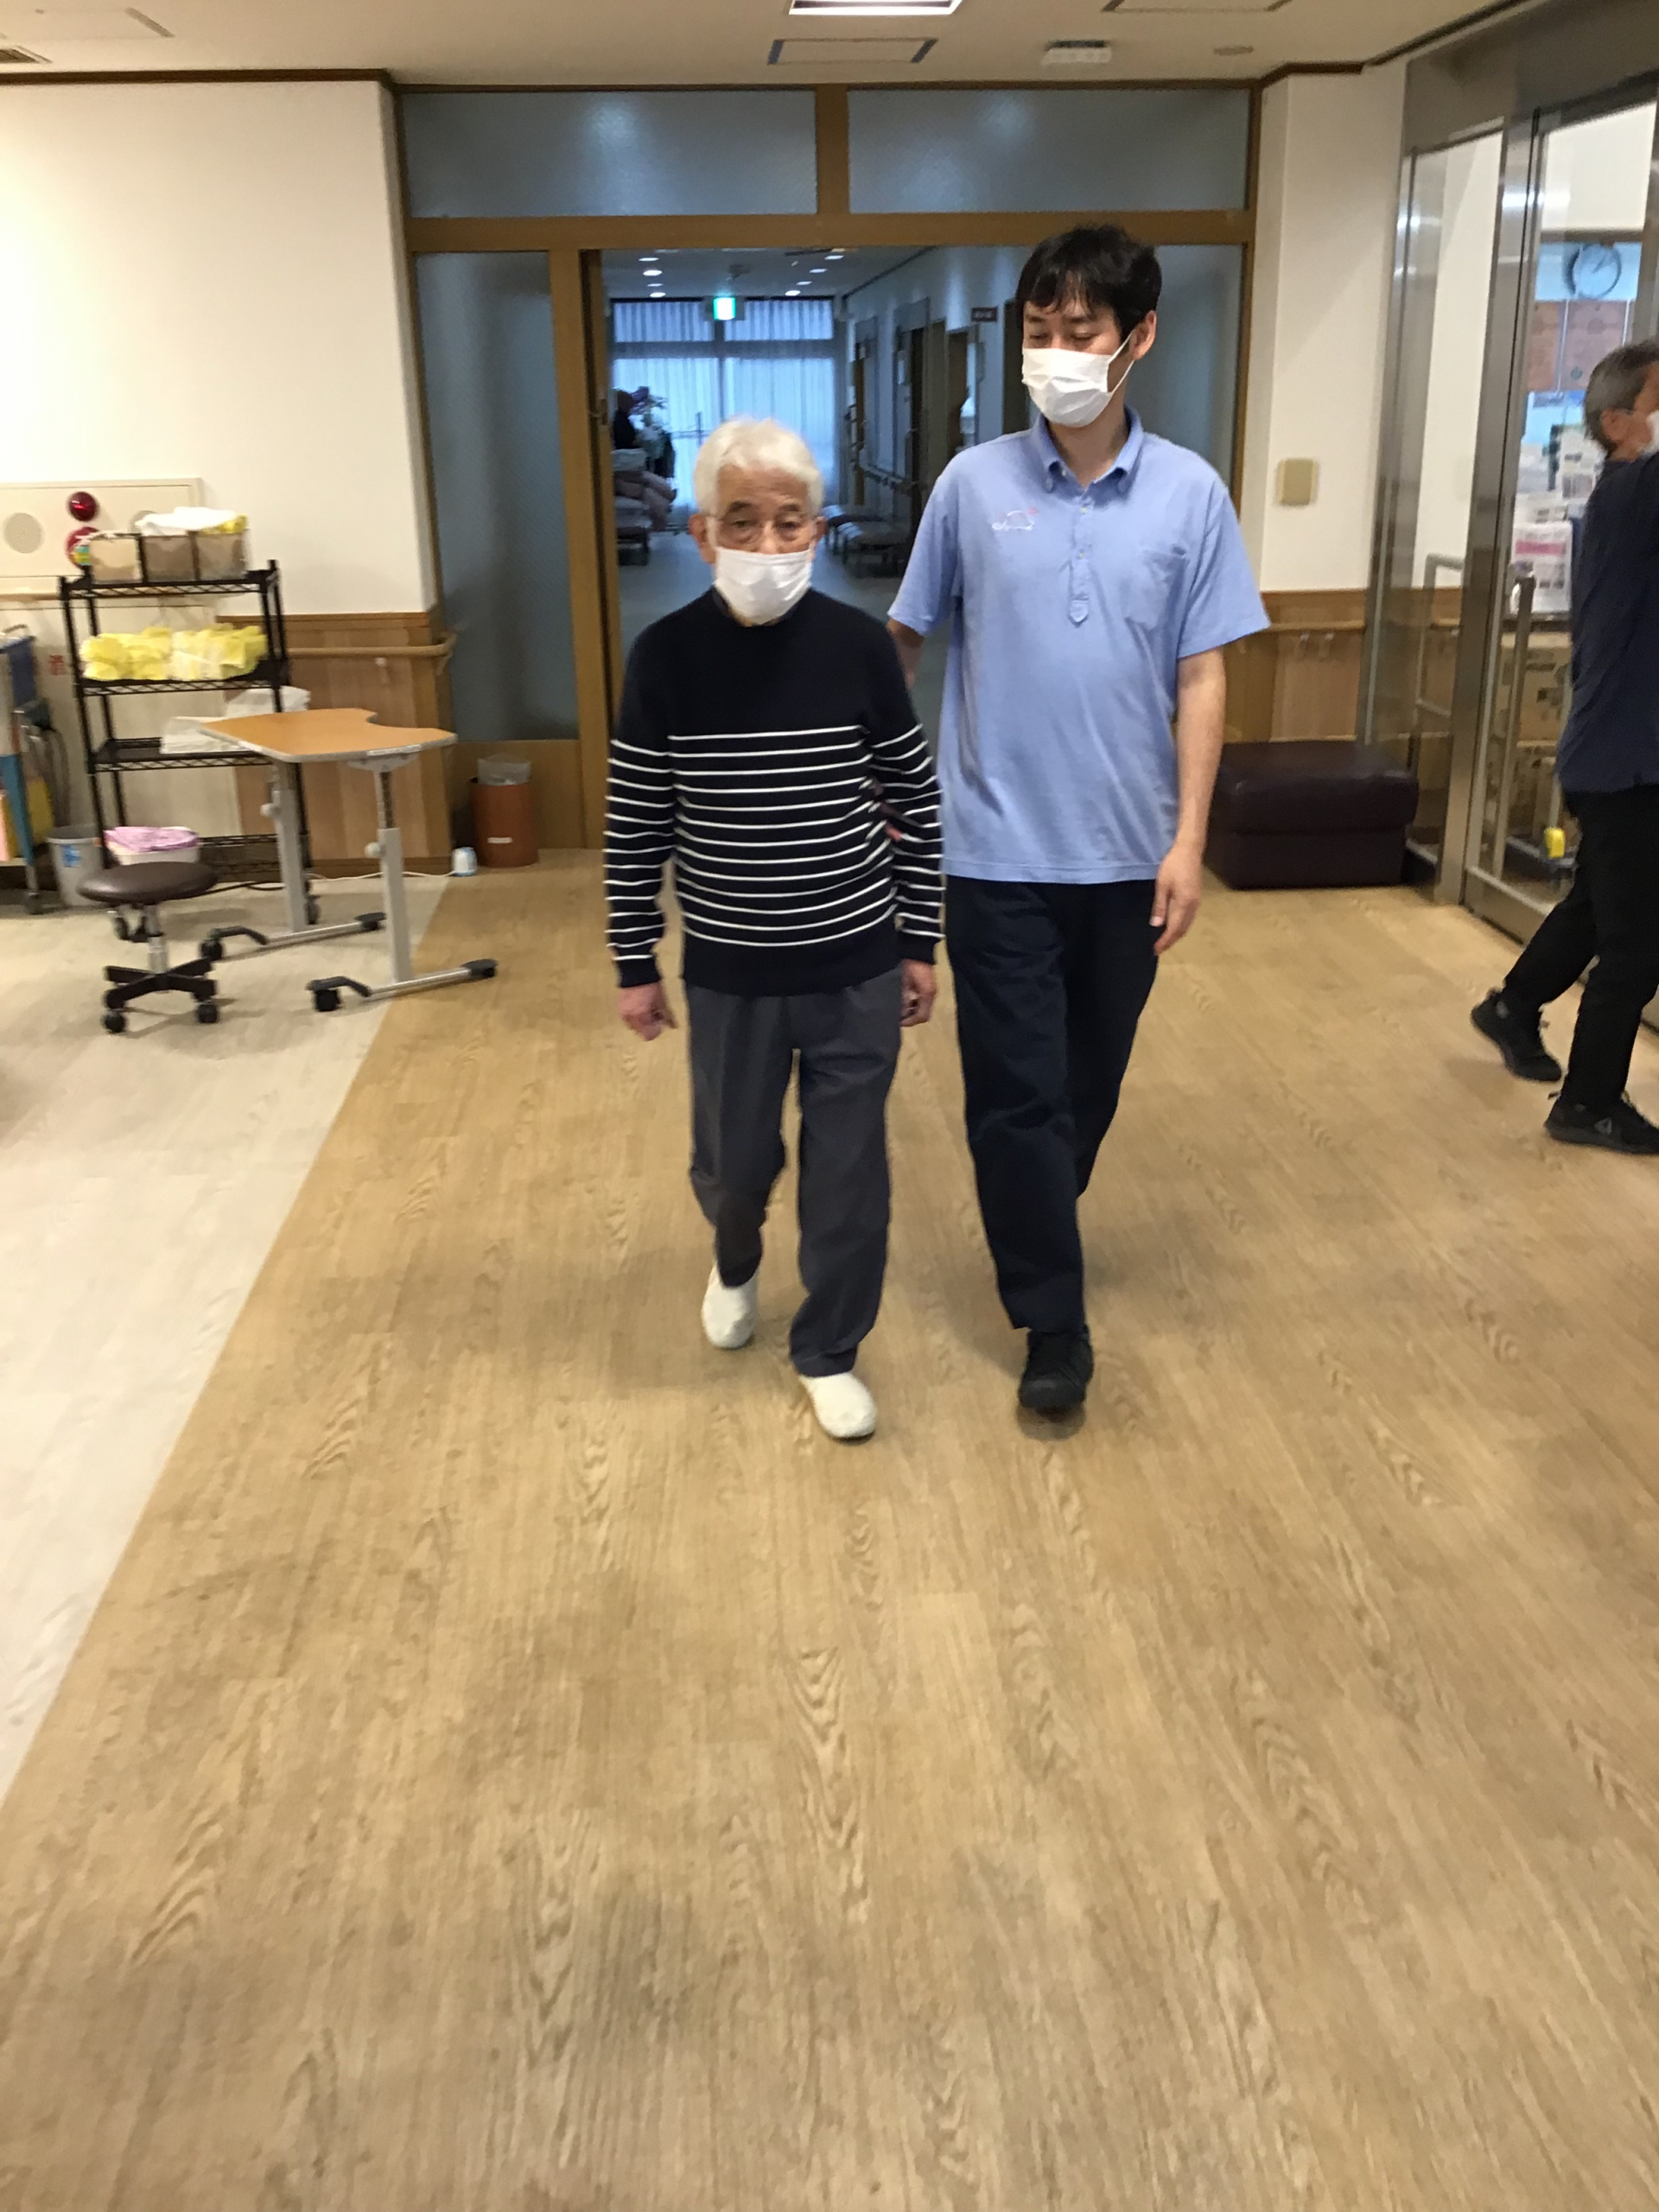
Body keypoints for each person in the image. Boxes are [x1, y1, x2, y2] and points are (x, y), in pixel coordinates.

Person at [888, 224, 1268, 1417]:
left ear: (1137, 338)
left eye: (1079, 331)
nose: (1053, 353)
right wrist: (866, 779)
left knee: (1083, 1087)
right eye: (1038, 331)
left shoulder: (1192, 495)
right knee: (1017, 1092)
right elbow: (902, 642)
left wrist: (1189, 842)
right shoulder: (971, 486)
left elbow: (1203, 676)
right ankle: (1054, 1320)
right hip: (993, 848)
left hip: (1128, 856)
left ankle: (1036, 1208)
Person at [605, 416, 943, 1440]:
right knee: (733, 1165)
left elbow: (915, 797)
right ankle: (736, 1257)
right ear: (702, 534)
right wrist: (634, 958)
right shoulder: (665, 656)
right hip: (732, 971)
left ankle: (828, 1346)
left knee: (849, 1176)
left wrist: (918, 941)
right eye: (740, 520)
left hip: (855, 961)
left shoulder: (858, 647)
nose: (765, 541)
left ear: (816, 531)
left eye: (788, 521)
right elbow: (637, 818)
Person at [1471, 337, 1659, 1155]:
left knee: (1597, 905)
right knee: (1637, 943)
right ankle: (1588, 1101)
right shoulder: (1631, 497)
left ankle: (1513, 1005)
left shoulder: (1629, 503)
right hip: (1625, 762)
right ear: (1616, 424)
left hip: (1623, 755)